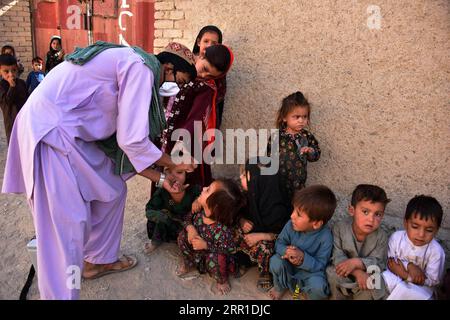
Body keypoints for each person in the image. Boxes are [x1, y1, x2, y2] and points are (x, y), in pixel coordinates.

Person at [2, 41, 197, 300]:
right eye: (180, 81)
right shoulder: (141, 69)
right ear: (169, 67)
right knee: (66, 230)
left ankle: (98, 261)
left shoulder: (133, 63)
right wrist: (173, 162)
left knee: (113, 189)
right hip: (50, 133)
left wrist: (162, 178)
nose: (176, 89)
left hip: (71, 135)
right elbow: (132, 141)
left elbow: (122, 148)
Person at [159, 44, 233, 188]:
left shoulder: (206, 88)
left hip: (184, 144)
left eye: (211, 75)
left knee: (182, 187)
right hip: (161, 138)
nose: (204, 76)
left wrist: (181, 142)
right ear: (202, 54)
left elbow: (196, 117)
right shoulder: (180, 67)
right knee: (160, 182)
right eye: (205, 69)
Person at [177, 178, 245, 295]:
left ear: (214, 206)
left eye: (207, 190)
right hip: (198, 255)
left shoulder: (222, 230)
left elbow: (228, 249)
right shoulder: (199, 211)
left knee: (217, 257)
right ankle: (189, 263)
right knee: (182, 236)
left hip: (213, 258)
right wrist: (191, 228)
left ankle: (222, 280)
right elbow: (186, 219)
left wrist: (206, 245)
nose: (203, 188)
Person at [269, 185, 336, 300]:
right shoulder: (290, 225)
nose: (292, 216)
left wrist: (303, 258)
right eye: (294, 210)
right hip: (290, 268)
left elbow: (321, 265)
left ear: (316, 224)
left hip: (309, 273)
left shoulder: (326, 237)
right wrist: (286, 251)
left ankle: (302, 293)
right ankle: (279, 287)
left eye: (299, 214)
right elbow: (279, 244)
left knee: (318, 286)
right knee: (275, 261)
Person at [234, 158, 291, 292]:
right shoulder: (249, 194)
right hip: (252, 234)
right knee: (232, 230)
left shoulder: (277, 207)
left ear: (257, 179)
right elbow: (238, 212)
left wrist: (261, 235)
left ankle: (266, 272)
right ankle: (245, 261)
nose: (240, 178)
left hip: (270, 240)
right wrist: (242, 220)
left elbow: (284, 236)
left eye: (245, 175)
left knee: (266, 247)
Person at [326, 184, 390, 300]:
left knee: (374, 283)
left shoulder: (381, 236)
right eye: (365, 212)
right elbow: (337, 255)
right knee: (332, 273)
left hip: (368, 274)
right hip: (346, 271)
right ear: (352, 210)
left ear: (383, 215)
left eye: (377, 214)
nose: (371, 219)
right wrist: (356, 272)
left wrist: (357, 262)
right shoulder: (339, 228)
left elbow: (379, 263)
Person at [382, 195, 446, 300]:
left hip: (421, 288)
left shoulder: (436, 251)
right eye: (415, 227)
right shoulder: (396, 238)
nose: (421, 234)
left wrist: (407, 276)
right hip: (395, 279)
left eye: (429, 230)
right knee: (381, 279)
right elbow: (391, 263)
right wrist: (410, 266)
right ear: (406, 223)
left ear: (437, 230)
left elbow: (433, 281)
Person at [268, 91, 321, 202]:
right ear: (284, 117)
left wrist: (311, 151)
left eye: (304, 117)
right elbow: (268, 159)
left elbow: (316, 154)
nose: (301, 121)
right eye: (296, 117)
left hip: (298, 185)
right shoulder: (277, 137)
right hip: (278, 183)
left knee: (296, 207)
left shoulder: (306, 136)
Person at [144, 167, 201, 253]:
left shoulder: (194, 189)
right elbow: (149, 211)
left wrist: (198, 200)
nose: (174, 176)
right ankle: (156, 242)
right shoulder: (161, 192)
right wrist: (161, 216)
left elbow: (208, 197)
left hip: (189, 226)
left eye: (179, 172)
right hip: (168, 224)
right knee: (161, 218)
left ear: (187, 175)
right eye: (169, 172)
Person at [192, 25, 227, 128]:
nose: (209, 46)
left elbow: (219, 96)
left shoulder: (218, 67)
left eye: (214, 43)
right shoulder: (188, 60)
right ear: (199, 42)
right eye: (206, 41)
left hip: (205, 114)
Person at [0, 54, 27, 143]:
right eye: (6, 71)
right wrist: (12, 87)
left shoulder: (22, 83)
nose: (11, 74)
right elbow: (7, 102)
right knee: (14, 147)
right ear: (0, 72)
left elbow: (28, 101)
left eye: (14, 70)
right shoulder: (1, 86)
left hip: (25, 122)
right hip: (11, 124)